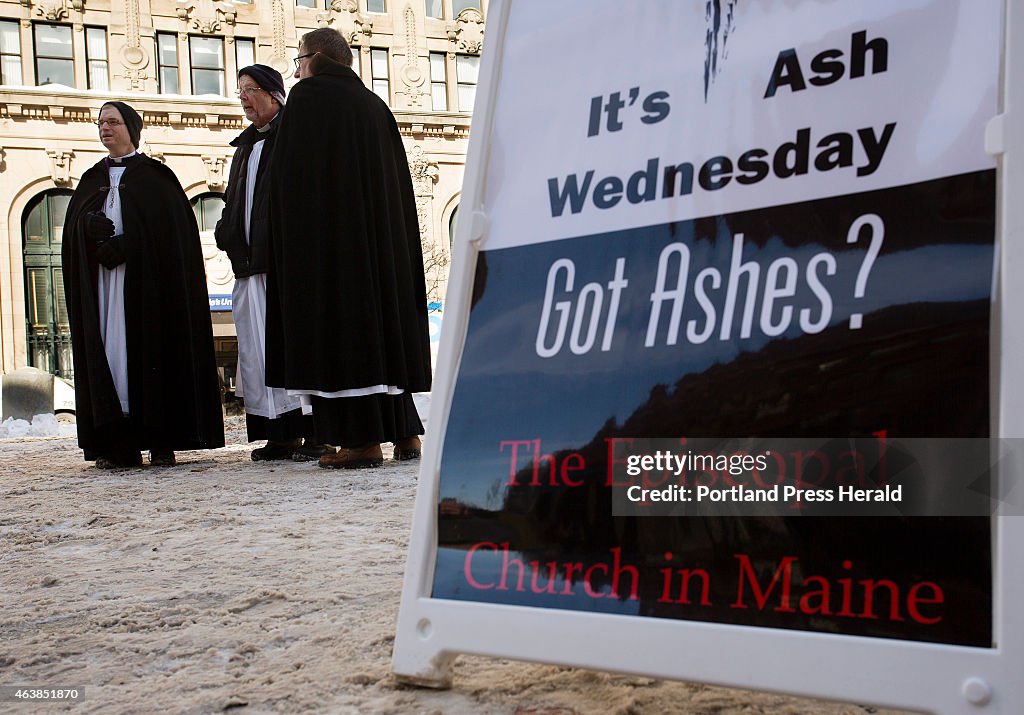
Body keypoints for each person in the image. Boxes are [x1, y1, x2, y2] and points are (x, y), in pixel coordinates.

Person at [266, 28, 432, 469]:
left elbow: (290, 178)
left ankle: (360, 442)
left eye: (299, 60)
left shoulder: (308, 98)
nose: (297, 69)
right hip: (381, 250)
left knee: (344, 338)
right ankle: (405, 432)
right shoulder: (375, 106)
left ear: (317, 58)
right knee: (381, 336)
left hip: (332, 245)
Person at [63, 101, 224, 468]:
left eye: (113, 121)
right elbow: (73, 233)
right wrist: (86, 229)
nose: (105, 128)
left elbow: (173, 239)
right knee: (111, 357)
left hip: (149, 291)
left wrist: (131, 244)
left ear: (131, 129)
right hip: (106, 289)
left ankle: (161, 439)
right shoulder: (91, 179)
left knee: (152, 353)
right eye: (101, 122)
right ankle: (119, 442)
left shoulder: (156, 178)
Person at [215, 65, 319, 461]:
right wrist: (226, 231)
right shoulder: (244, 147)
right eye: (239, 90)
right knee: (258, 354)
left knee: (290, 349)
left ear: (274, 94)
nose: (242, 97)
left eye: (250, 89)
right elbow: (233, 200)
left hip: (281, 268)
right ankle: (279, 433)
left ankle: (312, 431)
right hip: (247, 266)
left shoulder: (293, 136)